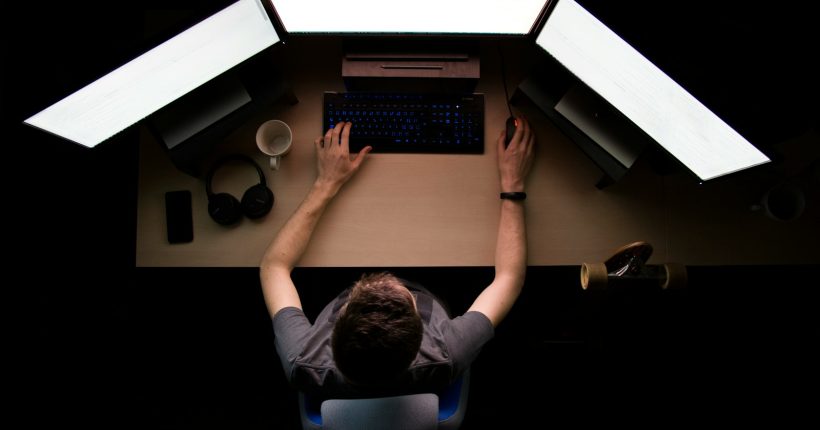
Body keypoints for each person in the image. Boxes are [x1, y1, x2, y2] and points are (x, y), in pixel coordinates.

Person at [260, 117, 535, 397]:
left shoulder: (302, 360)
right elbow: (509, 278)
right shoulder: (447, 352)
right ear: (420, 335)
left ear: (337, 323)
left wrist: (325, 183)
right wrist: (513, 182)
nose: (391, 279)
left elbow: (274, 266)